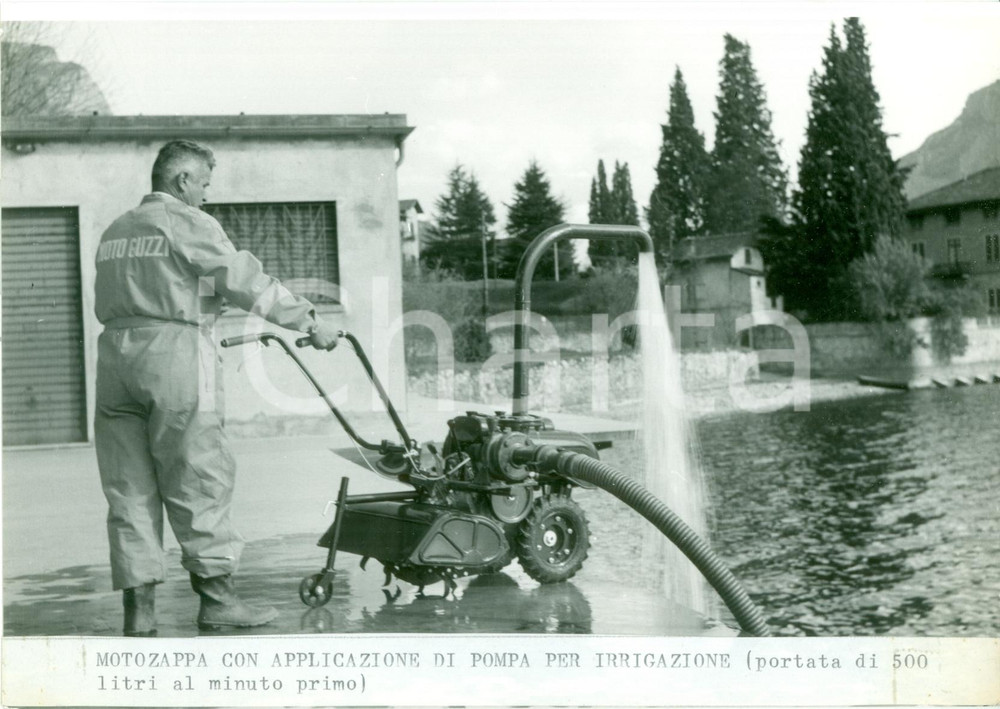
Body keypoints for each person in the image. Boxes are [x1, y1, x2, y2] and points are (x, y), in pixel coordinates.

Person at [94, 139, 340, 636]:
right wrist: (309, 320)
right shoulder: (189, 222)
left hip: (115, 360)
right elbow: (243, 278)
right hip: (178, 354)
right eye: (204, 183)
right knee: (199, 475)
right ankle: (218, 600)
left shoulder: (116, 231)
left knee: (129, 490)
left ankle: (139, 614)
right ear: (182, 180)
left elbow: (152, 285)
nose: (207, 194)